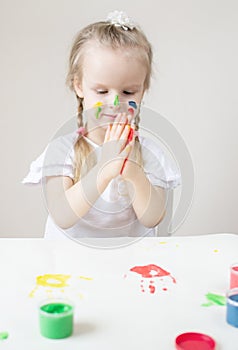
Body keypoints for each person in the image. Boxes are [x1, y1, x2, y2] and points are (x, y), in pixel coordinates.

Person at [23, 10, 181, 240]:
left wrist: (132, 172)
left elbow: (153, 218)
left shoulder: (150, 155)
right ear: (79, 87)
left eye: (128, 91)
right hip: (70, 268)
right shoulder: (61, 151)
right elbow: (62, 216)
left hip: (128, 266)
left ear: (142, 91)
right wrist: (104, 168)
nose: (114, 103)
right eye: (102, 91)